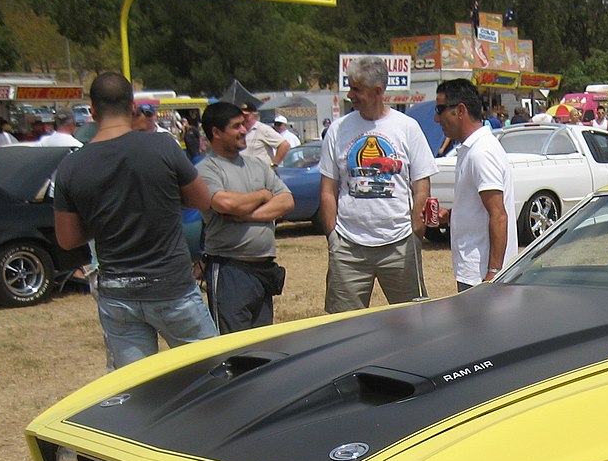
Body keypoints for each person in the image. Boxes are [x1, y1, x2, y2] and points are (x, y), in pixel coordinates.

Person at [53, 71, 216, 369]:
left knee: (135, 392)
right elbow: (202, 200)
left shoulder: (70, 166)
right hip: (172, 288)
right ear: (132, 107)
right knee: (212, 376)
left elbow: (67, 238)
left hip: (118, 293)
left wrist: (104, 218)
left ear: (92, 110)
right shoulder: (163, 147)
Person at [318, 55, 437, 312]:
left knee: (413, 320)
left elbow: (422, 184)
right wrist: (332, 236)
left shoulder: (407, 127)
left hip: (400, 243)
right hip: (348, 248)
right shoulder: (338, 130)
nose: (351, 94)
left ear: (378, 91)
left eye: (356, 89)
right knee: (342, 327)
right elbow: (328, 189)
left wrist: (416, 230)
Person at [196, 101, 294, 333]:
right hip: (230, 271)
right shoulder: (207, 169)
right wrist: (262, 194)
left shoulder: (257, 165)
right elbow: (224, 203)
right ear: (216, 133)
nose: (244, 131)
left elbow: (287, 201)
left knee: (262, 346)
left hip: (263, 270)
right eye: (236, 126)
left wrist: (248, 215)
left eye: (243, 125)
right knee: (233, 348)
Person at [433, 78, 518, 291]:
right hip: (473, 270)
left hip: (480, 274)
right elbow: (480, 208)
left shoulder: (482, 153)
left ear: (460, 110)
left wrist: (493, 274)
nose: (436, 118)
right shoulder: (471, 149)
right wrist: (451, 215)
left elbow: (498, 215)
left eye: (440, 109)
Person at [240, 102, 288, 167]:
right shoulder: (240, 131)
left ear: (254, 116)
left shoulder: (263, 129)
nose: (243, 118)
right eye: (241, 115)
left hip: (262, 173)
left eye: (246, 116)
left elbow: (284, 145)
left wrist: (273, 165)